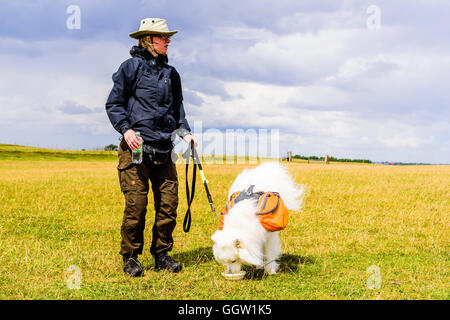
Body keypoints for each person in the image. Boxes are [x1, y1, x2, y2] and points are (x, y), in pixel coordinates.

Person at [105, 18, 197, 277]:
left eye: (168, 37)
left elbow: (177, 109)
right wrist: (126, 129)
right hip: (136, 149)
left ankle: (162, 255)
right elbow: (114, 103)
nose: (168, 41)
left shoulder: (171, 73)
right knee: (137, 205)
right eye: (163, 37)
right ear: (148, 40)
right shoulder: (131, 67)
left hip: (164, 149)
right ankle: (131, 258)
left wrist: (185, 132)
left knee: (169, 204)